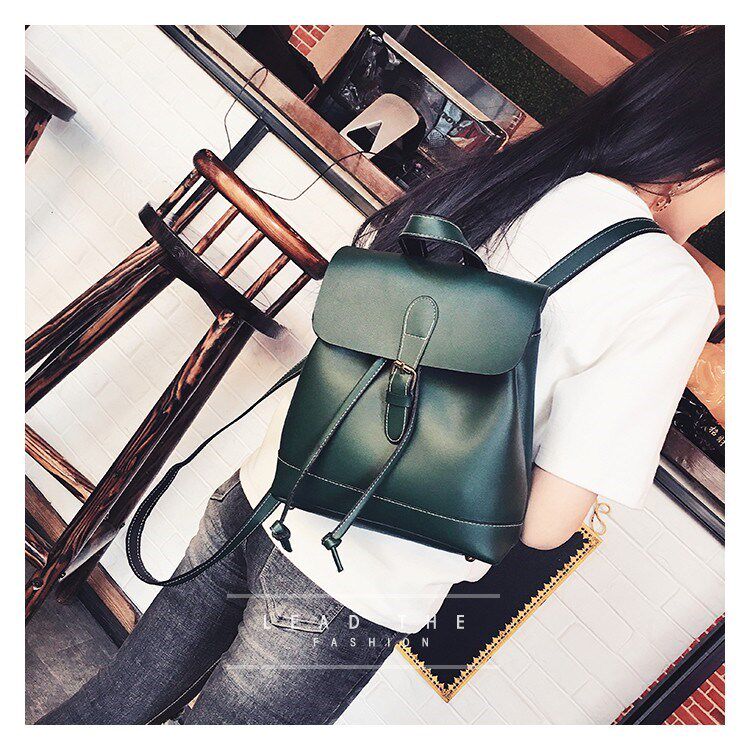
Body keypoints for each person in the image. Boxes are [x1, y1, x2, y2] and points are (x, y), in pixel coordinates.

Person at [39, 26, 724, 725]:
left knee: (115, 704)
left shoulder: (531, 172)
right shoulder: (671, 290)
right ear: (712, 158)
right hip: (359, 574)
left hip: (268, 488)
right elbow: (548, 524)